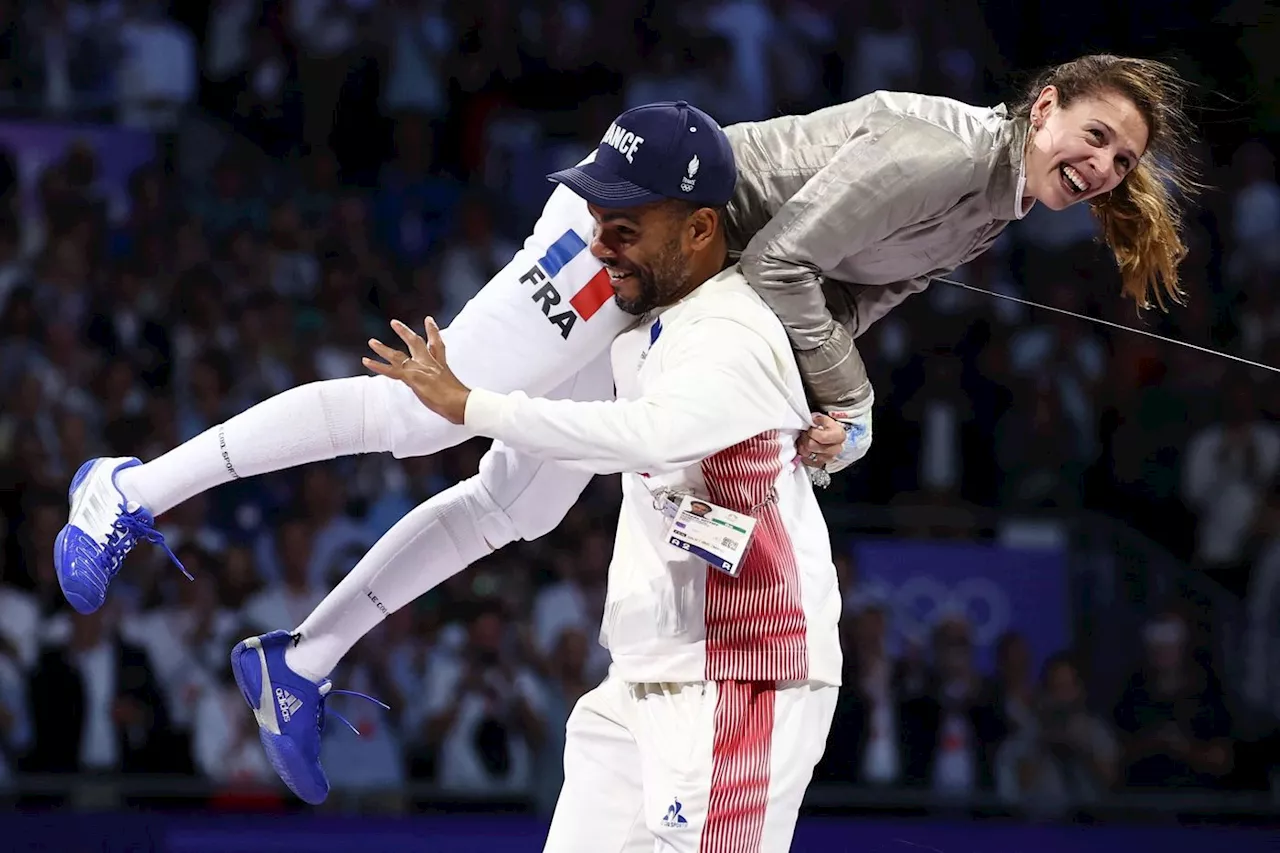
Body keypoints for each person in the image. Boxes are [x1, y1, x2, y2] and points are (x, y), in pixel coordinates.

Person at [56, 52, 1197, 777]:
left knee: (519, 501)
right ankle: (129, 489)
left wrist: (820, 404)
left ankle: (299, 658)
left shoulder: (982, 211)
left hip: (688, 287)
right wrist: (841, 389)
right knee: (421, 416)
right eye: (1088, 134)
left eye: (1119, 157)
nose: (1099, 164)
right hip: (638, 228)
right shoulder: (940, 148)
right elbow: (793, 255)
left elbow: (847, 300)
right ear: (1040, 107)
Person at [235, 102, 843, 848]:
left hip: (743, 675)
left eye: (626, 229)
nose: (601, 247)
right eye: (598, 221)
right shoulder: (644, 325)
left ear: (700, 229)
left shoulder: (732, 333)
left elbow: (633, 436)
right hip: (645, 674)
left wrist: (472, 405)